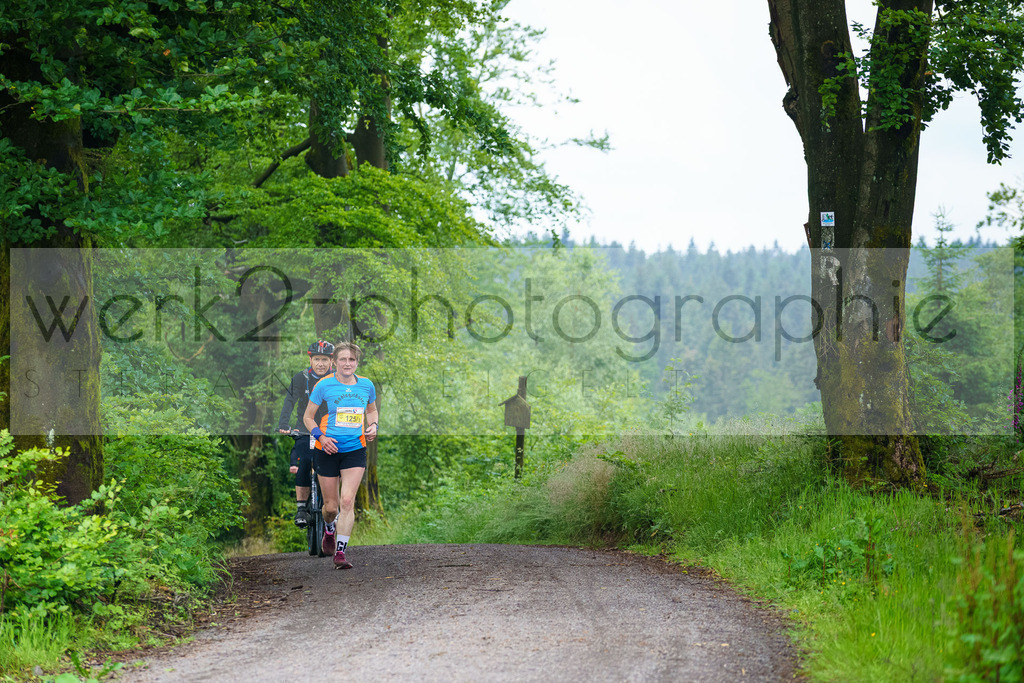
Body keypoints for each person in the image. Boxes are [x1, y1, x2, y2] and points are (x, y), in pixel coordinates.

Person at [303, 341, 377, 569]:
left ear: (357, 362)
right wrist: (322, 439)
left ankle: (341, 553)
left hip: (355, 449)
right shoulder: (324, 385)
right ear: (335, 362)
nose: (347, 364)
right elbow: (308, 417)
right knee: (331, 508)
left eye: (352, 360)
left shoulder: (366, 385)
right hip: (326, 450)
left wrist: (373, 425)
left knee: (347, 501)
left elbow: (372, 410)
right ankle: (328, 528)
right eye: (343, 359)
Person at [277, 340, 334, 527]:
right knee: (305, 459)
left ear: (331, 361)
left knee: (336, 464)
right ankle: (301, 508)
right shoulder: (301, 378)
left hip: (331, 430)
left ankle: (333, 504)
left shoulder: (337, 379)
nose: (321, 363)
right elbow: (289, 401)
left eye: (325, 360)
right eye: (317, 359)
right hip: (304, 429)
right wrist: (283, 424)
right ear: (310, 359)